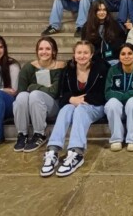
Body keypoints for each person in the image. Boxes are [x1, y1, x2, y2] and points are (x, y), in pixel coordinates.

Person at [39, 41, 109, 177]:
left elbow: (103, 95)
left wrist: (84, 100)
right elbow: (62, 94)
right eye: (79, 52)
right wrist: (71, 99)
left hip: (95, 106)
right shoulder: (68, 70)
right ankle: (52, 150)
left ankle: (76, 153)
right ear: (74, 54)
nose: (82, 56)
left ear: (91, 55)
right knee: (65, 109)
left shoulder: (101, 68)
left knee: (80, 110)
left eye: (85, 52)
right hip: (74, 105)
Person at [13, 37, 66, 152]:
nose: (44, 52)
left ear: (54, 51)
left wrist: (32, 87)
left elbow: (54, 92)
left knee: (35, 94)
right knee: (22, 96)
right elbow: (21, 90)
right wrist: (44, 88)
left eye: (48, 49)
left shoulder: (61, 67)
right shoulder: (28, 67)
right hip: (32, 107)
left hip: (53, 105)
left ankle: (40, 134)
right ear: (37, 51)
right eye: (41, 49)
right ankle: (22, 134)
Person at [81, 0, 127, 65]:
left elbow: (122, 40)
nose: (102, 12)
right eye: (99, 10)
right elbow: (86, 46)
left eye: (104, 10)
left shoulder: (114, 24)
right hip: (97, 62)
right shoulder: (87, 27)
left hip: (115, 59)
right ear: (94, 12)